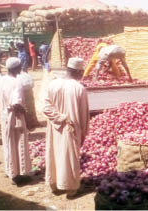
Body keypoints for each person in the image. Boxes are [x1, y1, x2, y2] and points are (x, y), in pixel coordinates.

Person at [43, 57, 90, 199]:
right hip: (72, 128)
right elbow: (83, 115)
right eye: (82, 71)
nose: (82, 74)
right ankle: (70, 189)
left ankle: (54, 184)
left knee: (54, 154)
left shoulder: (53, 84)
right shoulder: (79, 88)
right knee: (69, 157)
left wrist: (58, 117)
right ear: (77, 71)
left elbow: (45, 107)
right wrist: (82, 133)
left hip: (54, 127)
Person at [0, 57, 32, 186]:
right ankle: (18, 175)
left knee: (8, 143)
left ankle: (10, 170)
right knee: (18, 144)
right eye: (20, 67)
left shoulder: (1, 80)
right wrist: (24, 111)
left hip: (4, 116)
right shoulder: (16, 82)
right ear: (16, 68)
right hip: (15, 117)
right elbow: (16, 103)